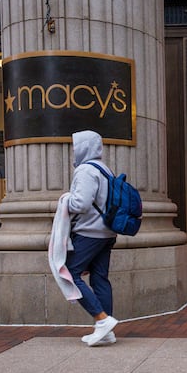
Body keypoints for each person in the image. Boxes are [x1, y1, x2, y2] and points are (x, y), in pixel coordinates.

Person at [65, 130, 119, 347]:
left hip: (89, 232)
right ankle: (106, 331)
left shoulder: (86, 170)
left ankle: (102, 319)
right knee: (99, 278)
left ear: (84, 147)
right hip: (106, 233)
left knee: (69, 274)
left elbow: (81, 204)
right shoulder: (105, 169)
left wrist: (63, 202)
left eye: (76, 146)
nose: (73, 150)